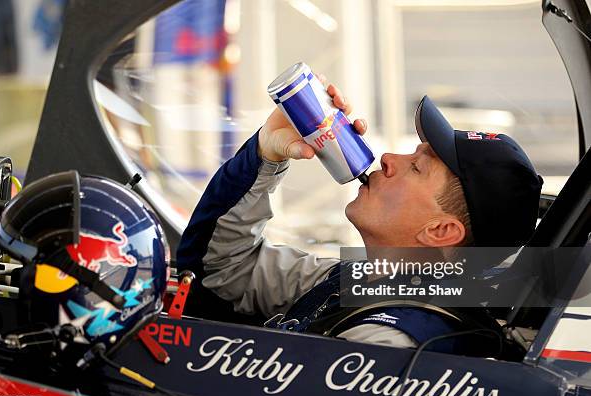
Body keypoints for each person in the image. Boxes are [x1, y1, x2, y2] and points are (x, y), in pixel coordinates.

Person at [177, 79, 543, 354]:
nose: (387, 158)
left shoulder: (390, 341)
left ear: (441, 230)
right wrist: (267, 154)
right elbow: (222, 272)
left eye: (416, 167)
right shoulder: (362, 282)